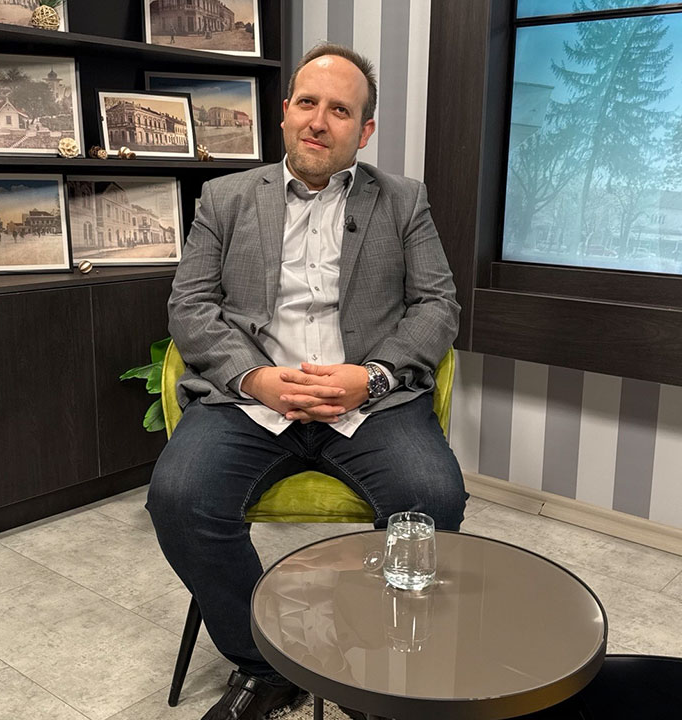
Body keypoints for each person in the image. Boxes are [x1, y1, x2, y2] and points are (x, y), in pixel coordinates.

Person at [147, 43, 465, 720]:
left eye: (340, 110)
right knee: (179, 498)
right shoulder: (226, 198)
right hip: (250, 403)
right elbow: (190, 306)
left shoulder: (403, 201)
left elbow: (438, 305)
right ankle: (266, 664)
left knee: (432, 498)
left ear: (364, 130)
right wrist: (254, 378)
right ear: (285, 112)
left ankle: (368, 662)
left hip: (369, 405)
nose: (319, 121)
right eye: (307, 103)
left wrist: (373, 377)